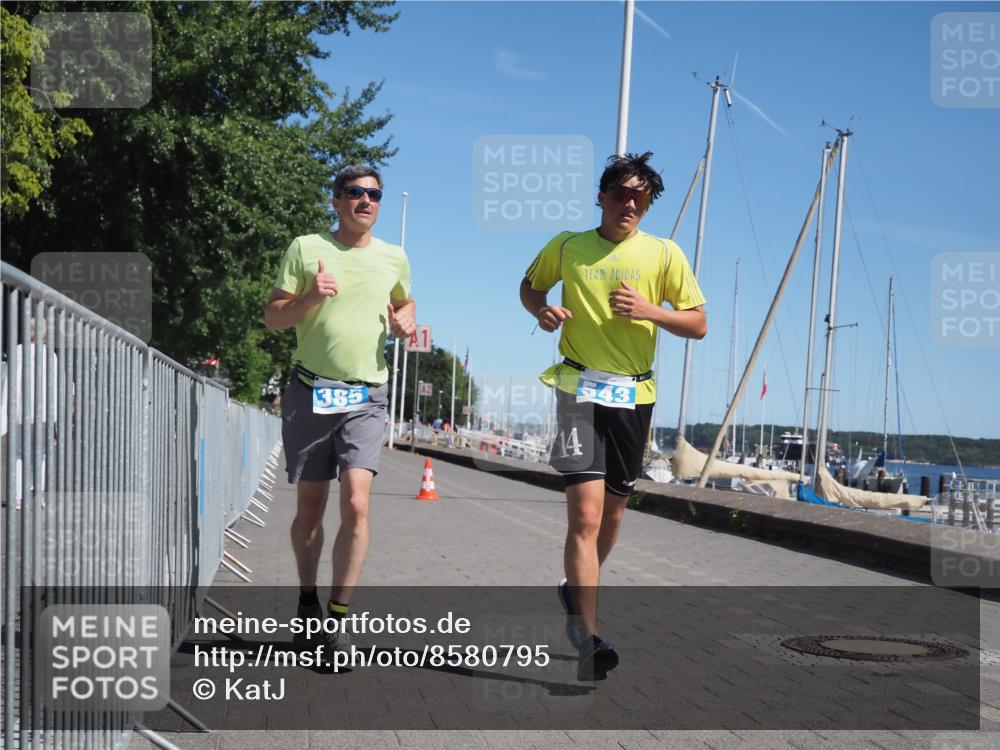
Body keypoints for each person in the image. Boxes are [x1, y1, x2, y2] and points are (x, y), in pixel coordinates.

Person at [519, 152, 707, 680]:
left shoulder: (665, 255)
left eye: (641, 196)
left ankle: (574, 593)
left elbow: (698, 324)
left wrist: (652, 311)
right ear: (601, 196)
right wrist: (543, 311)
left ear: (648, 204)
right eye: (622, 193)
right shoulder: (568, 246)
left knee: (613, 516)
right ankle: (589, 638)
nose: (630, 203)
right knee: (584, 516)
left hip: (634, 397)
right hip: (578, 388)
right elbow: (530, 287)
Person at [264, 165, 415, 652]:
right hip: (310, 392)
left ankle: (336, 621)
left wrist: (405, 323)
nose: (365, 201)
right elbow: (272, 318)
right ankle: (308, 599)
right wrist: (310, 297)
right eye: (354, 193)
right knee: (311, 509)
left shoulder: (395, 257)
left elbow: (405, 306)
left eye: (373, 194)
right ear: (336, 201)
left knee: (356, 502)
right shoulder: (307, 248)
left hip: (366, 396)